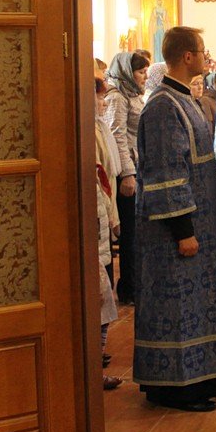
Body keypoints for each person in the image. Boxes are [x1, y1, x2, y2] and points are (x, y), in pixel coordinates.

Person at [132, 26, 216, 412]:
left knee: (197, 307)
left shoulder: (184, 99)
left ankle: (198, 381)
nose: (206, 55)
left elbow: (197, 162)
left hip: (201, 225)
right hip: (175, 233)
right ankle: (176, 389)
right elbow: (165, 173)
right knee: (178, 310)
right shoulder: (163, 106)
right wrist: (183, 232)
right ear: (188, 57)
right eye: (202, 50)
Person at [103, 51, 150, 305]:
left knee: (138, 232)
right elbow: (117, 136)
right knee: (130, 233)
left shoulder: (132, 95)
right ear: (125, 71)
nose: (144, 76)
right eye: (140, 72)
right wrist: (128, 174)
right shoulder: (117, 97)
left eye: (145, 71)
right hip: (127, 174)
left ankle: (135, 284)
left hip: (137, 168)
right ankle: (129, 288)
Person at [92, 69, 123, 391]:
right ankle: (91, 364)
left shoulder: (99, 127)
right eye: (99, 96)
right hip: (93, 219)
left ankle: (96, 356)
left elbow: (107, 175)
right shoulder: (83, 131)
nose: (103, 101)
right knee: (98, 296)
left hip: (104, 212)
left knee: (104, 294)